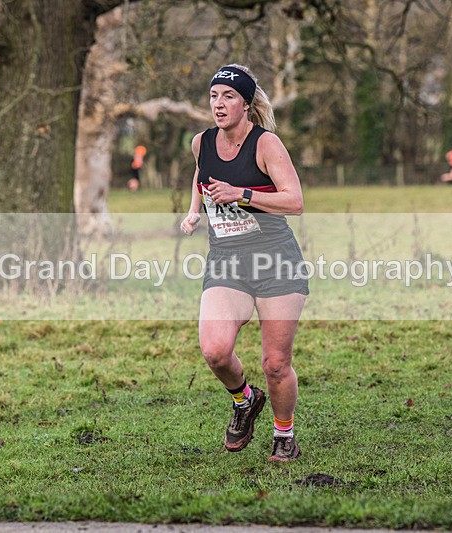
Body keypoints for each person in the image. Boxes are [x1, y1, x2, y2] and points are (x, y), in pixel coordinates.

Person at [180, 64, 309, 462]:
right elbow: (203, 174)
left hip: (275, 260)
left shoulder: (266, 144)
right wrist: (194, 212)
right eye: (214, 96)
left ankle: (284, 434)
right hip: (227, 259)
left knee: (275, 363)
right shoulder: (201, 142)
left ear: (246, 104)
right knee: (215, 351)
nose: (219, 104)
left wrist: (243, 194)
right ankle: (244, 400)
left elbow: (295, 201)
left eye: (228, 96)